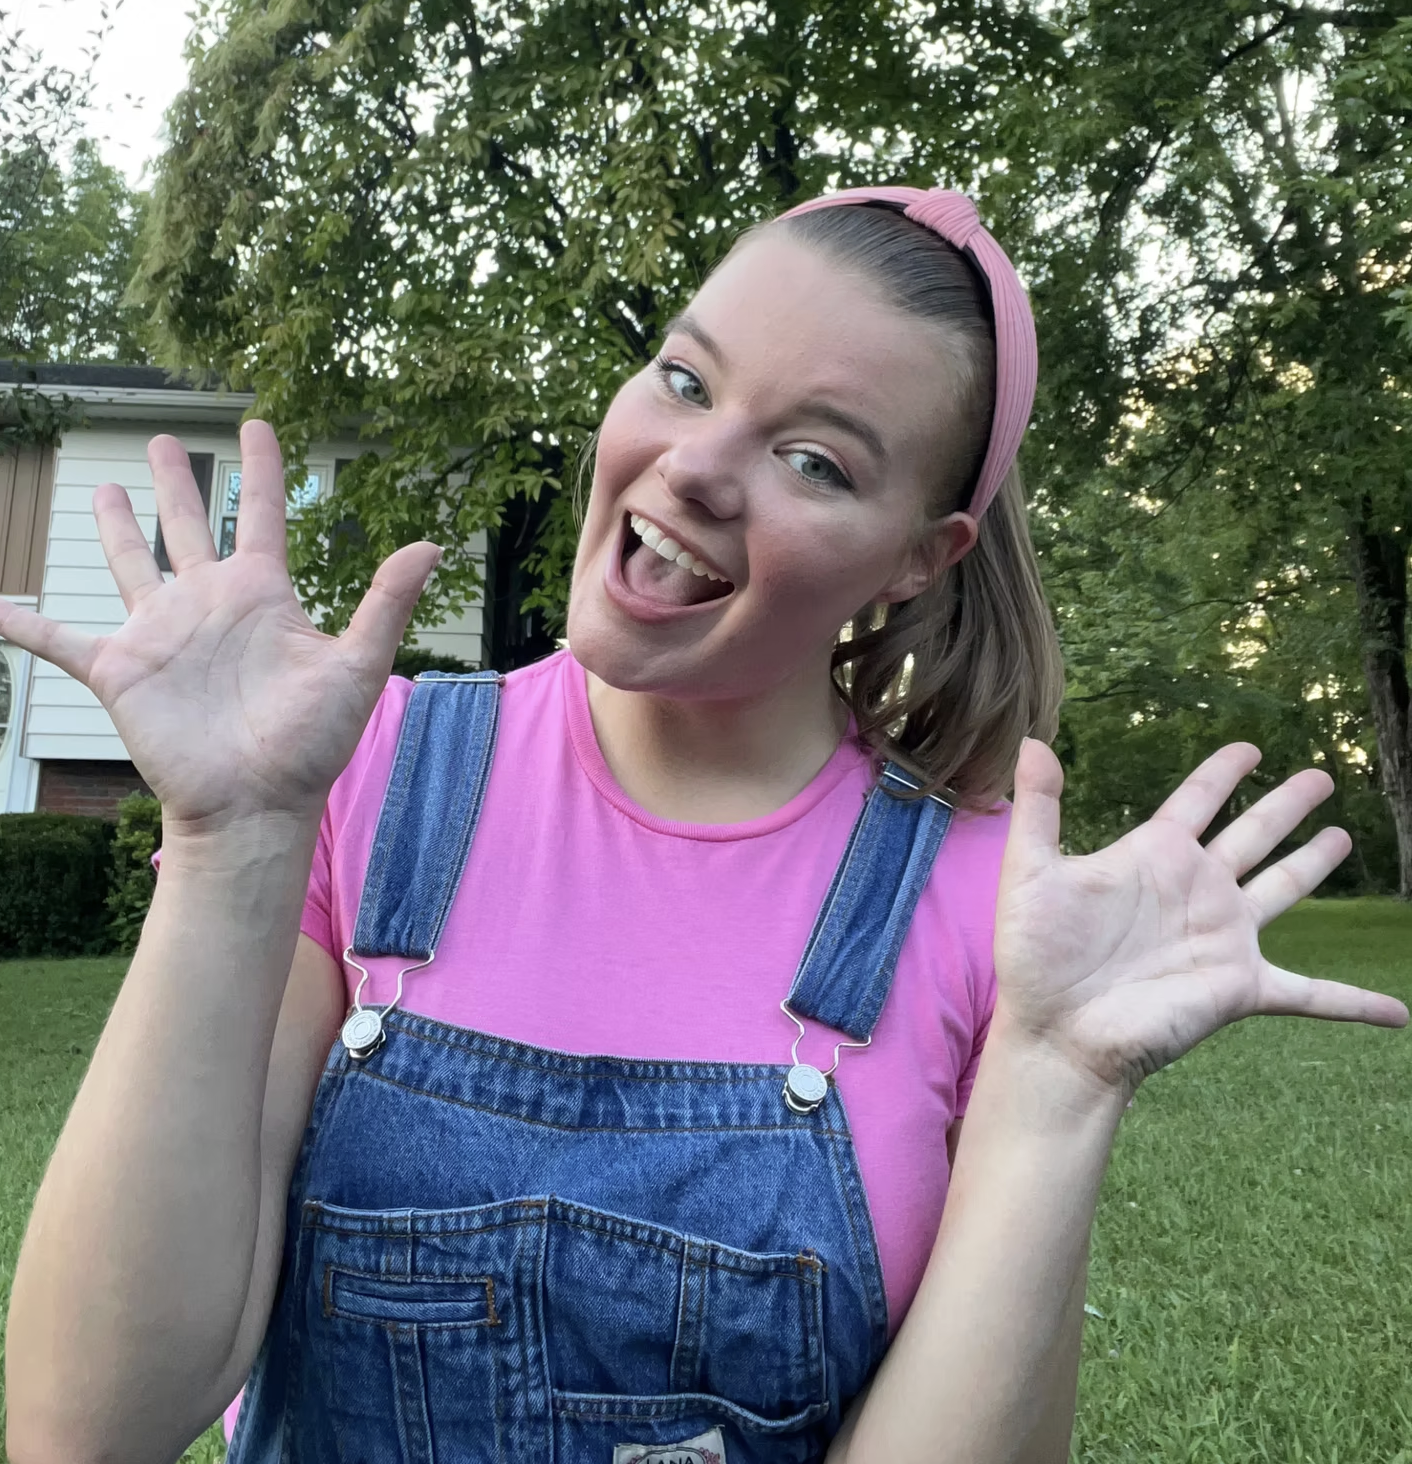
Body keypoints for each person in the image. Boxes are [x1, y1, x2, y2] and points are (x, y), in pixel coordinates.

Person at [2, 186, 1404, 1464]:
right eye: (684, 379)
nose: (694, 467)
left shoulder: (995, 919)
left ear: (921, 558)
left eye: (814, 461)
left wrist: (1058, 1088)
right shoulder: (359, 775)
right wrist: (232, 844)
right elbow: (87, 1428)